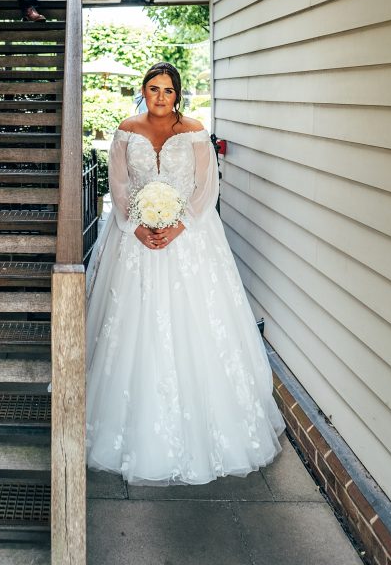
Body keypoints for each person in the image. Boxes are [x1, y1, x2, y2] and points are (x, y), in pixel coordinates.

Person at [86, 62, 284, 484]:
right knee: (132, 324)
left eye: (168, 90)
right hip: (135, 239)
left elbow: (206, 188)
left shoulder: (194, 131)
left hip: (189, 239)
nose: (160, 97)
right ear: (143, 91)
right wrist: (136, 226)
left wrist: (178, 226)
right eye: (153, 88)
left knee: (196, 323)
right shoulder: (125, 131)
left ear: (178, 94)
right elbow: (118, 185)